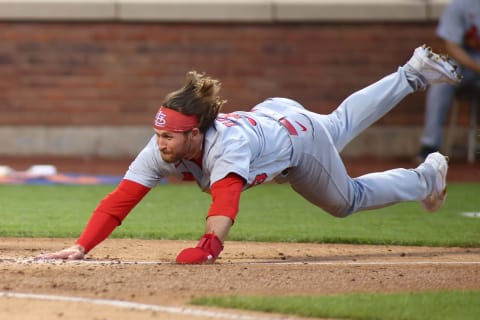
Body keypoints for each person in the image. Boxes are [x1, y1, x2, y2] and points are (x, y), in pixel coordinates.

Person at [36, 45, 461, 264]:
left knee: (345, 200)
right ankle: (412, 74)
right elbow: (120, 200)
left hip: (297, 143)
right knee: (340, 123)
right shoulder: (162, 146)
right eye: (158, 135)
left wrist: (208, 247)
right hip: (277, 114)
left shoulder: (225, 147)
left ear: (195, 134)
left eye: (170, 137)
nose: (161, 143)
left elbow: (226, 202)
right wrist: (81, 246)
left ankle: (425, 177)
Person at [417, 0, 480, 160]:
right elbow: (452, 47)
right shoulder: (460, 6)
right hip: (465, 64)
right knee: (442, 81)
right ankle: (430, 145)